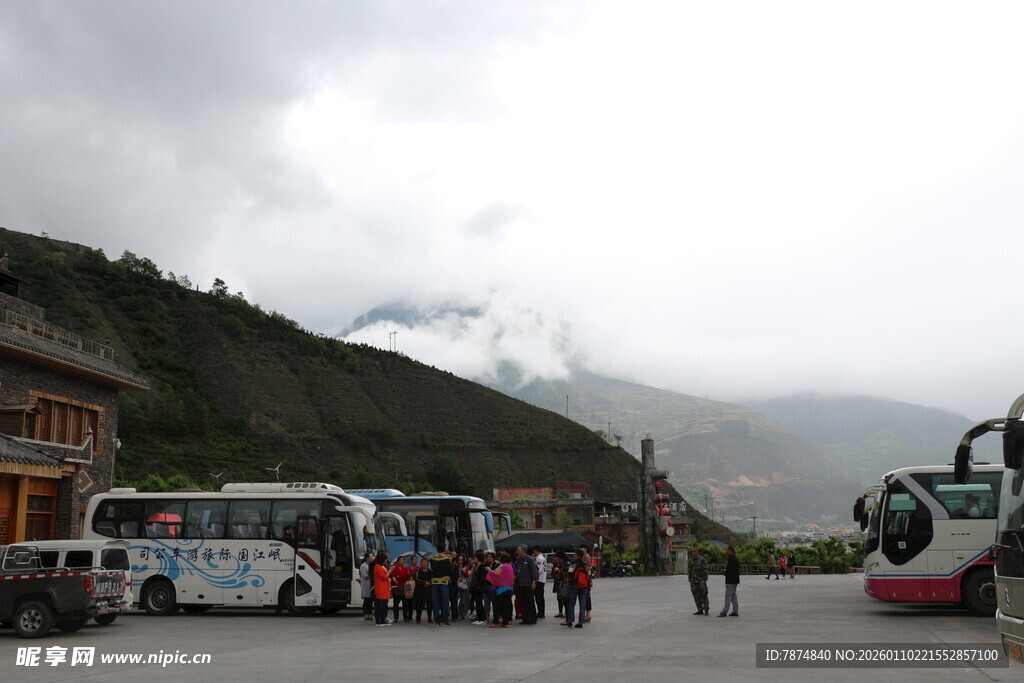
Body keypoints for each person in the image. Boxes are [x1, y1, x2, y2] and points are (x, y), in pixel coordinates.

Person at [487, 552, 515, 627]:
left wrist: (489, 570)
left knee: (496, 606)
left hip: (501, 589)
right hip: (509, 588)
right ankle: (505, 622)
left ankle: (496, 622)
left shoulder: (502, 566)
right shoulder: (510, 566)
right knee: (505, 606)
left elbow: (495, 573)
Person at [564, 549, 591, 629]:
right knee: (582, 605)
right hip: (584, 587)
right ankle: (580, 622)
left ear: (577, 555)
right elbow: (589, 577)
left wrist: (569, 583)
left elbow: (569, 574)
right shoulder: (586, 565)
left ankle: (570, 620)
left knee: (571, 604)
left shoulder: (573, 564)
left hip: (574, 586)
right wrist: (589, 588)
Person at [513, 544, 539, 625]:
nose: (517, 551)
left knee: (530, 602)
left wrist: (534, 582)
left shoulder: (529, 559)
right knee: (523, 602)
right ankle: (525, 618)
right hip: (520, 584)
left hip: (528, 584)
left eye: (519, 550)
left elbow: (534, 571)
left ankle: (533, 618)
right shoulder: (519, 560)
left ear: (523, 550)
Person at [429, 546, 453, 626]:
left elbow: (432, 568)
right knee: (444, 602)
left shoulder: (432, 558)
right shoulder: (446, 559)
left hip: (434, 581)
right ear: (444, 549)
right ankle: (444, 620)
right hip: (444, 581)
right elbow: (450, 570)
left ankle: (436, 620)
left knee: (435, 601)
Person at [372, 551, 393, 626]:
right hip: (380, 588)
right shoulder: (377, 567)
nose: (385, 561)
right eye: (384, 560)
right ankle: (378, 620)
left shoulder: (381, 567)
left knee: (384, 605)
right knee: (379, 605)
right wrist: (390, 571)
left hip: (385, 588)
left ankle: (383, 619)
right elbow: (384, 577)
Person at [718, 545, 739, 617]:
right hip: (734, 580)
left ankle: (724, 611)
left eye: (727, 550)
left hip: (730, 580)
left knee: (728, 596)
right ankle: (735, 611)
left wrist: (724, 572)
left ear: (730, 551)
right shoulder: (733, 559)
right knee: (733, 596)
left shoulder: (732, 560)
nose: (726, 551)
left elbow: (730, 571)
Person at [390, 555, 413, 622]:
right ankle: (396, 618)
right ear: (397, 561)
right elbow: (394, 577)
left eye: (403, 560)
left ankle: (405, 617)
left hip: (404, 588)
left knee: (405, 603)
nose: (402, 561)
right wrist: (399, 577)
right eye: (400, 560)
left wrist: (398, 576)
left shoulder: (406, 568)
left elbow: (407, 576)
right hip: (396, 588)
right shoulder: (394, 568)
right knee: (396, 604)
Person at [689, 547, 709, 615]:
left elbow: (705, 569)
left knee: (704, 595)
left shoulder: (702, 560)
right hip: (693, 581)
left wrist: (704, 579)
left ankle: (706, 609)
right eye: (692, 551)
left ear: (697, 552)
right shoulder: (691, 561)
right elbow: (690, 571)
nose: (693, 552)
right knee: (696, 596)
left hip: (701, 581)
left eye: (694, 551)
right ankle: (700, 609)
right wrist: (690, 580)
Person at [414, 555, 433, 623]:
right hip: (420, 590)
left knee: (430, 605)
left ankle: (429, 618)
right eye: (422, 562)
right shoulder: (418, 571)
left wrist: (429, 583)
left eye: (425, 562)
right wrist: (424, 583)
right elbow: (416, 580)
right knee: (419, 605)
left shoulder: (430, 572)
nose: (423, 563)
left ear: (427, 564)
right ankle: (418, 618)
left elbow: (432, 580)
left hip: (428, 590)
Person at [550, 552, 568, 618]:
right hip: (557, 582)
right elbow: (552, 573)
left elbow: (567, 573)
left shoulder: (566, 563)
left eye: (557, 558)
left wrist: (559, 570)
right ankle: (560, 612)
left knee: (565, 598)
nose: (555, 559)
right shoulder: (555, 564)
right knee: (559, 597)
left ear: (561, 558)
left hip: (564, 583)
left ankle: (566, 612)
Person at [531, 546, 547, 619]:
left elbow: (539, 570)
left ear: (535, 550)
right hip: (542, 579)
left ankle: (541, 613)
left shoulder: (539, 558)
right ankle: (541, 612)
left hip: (539, 579)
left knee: (539, 597)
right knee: (540, 597)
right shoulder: (542, 557)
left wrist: (534, 580)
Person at [359, 551, 374, 621]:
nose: (372, 558)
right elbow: (364, 576)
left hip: (370, 585)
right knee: (366, 601)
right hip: (366, 585)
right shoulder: (363, 566)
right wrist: (372, 575)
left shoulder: (371, 565)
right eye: (371, 557)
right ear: (367, 558)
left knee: (371, 601)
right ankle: (366, 615)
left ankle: (370, 614)